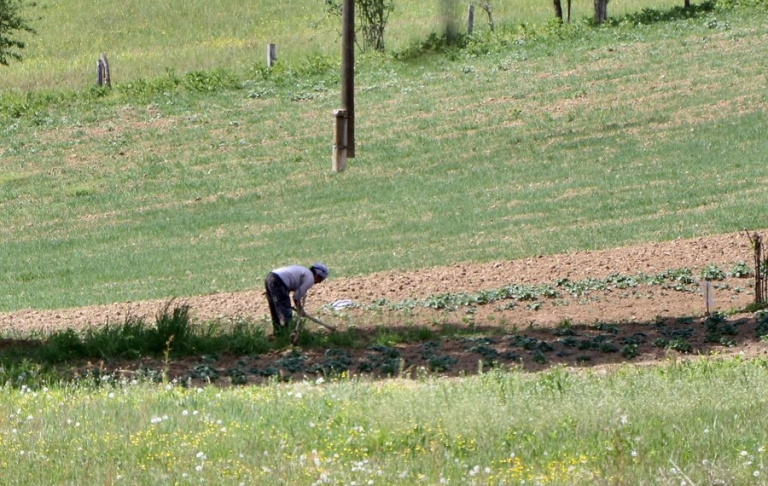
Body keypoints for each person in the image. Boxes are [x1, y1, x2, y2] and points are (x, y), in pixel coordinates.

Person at [264, 262, 328, 337]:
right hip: (278, 281)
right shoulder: (310, 278)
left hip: (270, 277)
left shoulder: (304, 272)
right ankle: (286, 336)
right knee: (285, 314)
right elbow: (296, 297)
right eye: (321, 279)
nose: (319, 283)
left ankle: (278, 335)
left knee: (276, 311)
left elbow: (291, 287)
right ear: (317, 275)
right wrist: (300, 310)